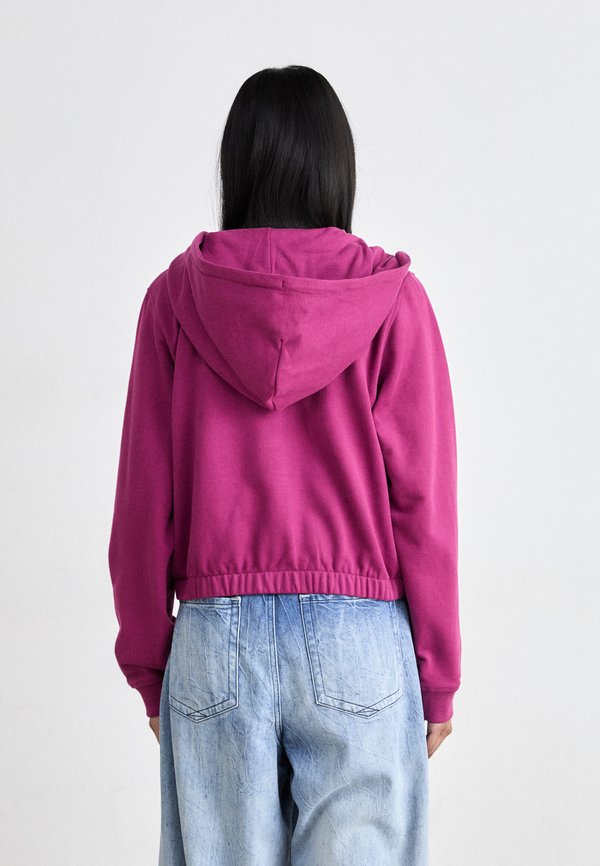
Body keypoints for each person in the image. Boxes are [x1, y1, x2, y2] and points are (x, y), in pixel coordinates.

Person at [108, 64, 461, 866]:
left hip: (214, 640)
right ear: (336, 169)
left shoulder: (174, 302)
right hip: (359, 640)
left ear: (237, 167)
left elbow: (142, 504)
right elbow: (424, 505)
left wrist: (150, 660)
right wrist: (438, 671)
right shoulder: (393, 304)